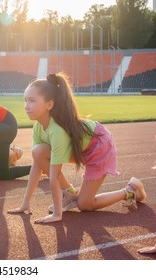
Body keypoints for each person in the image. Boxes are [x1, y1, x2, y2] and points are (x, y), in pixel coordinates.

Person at [8, 73, 146, 223]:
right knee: (38, 152)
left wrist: (57, 214)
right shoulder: (38, 127)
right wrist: (25, 202)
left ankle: (130, 190)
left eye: (32, 101)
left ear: (49, 104)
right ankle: (69, 195)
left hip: (99, 147)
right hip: (81, 148)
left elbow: (54, 178)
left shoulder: (57, 132)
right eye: (25, 100)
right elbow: (37, 164)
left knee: (85, 205)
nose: (26, 106)